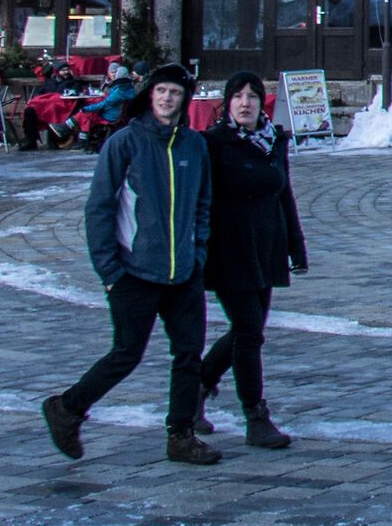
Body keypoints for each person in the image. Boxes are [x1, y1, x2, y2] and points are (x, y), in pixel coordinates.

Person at [42, 64, 217, 466]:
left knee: (189, 354)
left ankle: (181, 435)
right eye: (162, 91)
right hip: (134, 271)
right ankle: (67, 408)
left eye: (175, 92)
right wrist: (110, 271)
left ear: (184, 99)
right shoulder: (124, 143)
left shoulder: (194, 145)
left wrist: (198, 253)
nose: (168, 98)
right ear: (149, 95)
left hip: (183, 271)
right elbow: (99, 208)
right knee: (126, 353)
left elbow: (203, 204)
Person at [191, 73, 308, 451]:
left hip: (266, 247)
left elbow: (284, 195)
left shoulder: (273, 142)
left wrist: (296, 246)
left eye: (252, 96)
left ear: (262, 102)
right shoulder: (213, 144)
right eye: (238, 96)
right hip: (229, 249)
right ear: (227, 103)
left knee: (249, 330)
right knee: (249, 331)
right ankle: (255, 417)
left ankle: (197, 386)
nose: (245, 103)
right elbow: (198, 200)